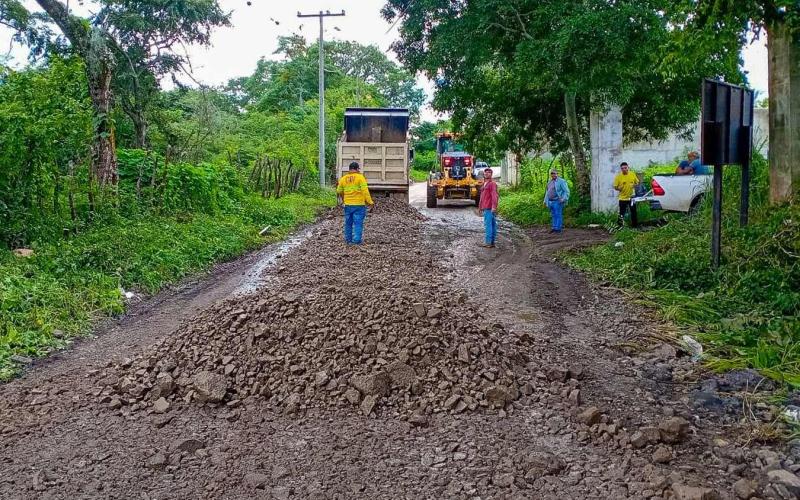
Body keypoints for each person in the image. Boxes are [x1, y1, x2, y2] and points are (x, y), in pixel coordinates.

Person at [336, 161, 374, 245]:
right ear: (357, 169)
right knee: (358, 223)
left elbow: (339, 191)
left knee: (348, 223)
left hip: (348, 205)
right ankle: (356, 241)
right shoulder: (360, 178)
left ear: (349, 169)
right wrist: (370, 202)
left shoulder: (343, 179)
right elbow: (365, 191)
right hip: (359, 205)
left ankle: (348, 240)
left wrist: (344, 199)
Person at [613, 162, 640, 227]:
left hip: (632, 198)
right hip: (623, 198)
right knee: (622, 213)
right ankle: (620, 226)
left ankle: (634, 226)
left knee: (633, 212)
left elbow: (637, 183)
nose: (624, 169)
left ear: (628, 167)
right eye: (622, 168)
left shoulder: (632, 174)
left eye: (625, 168)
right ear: (621, 169)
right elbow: (615, 187)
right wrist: (620, 187)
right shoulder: (618, 177)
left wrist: (634, 185)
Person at [477, 168, 499, 248]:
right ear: (484, 174)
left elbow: (494, 196)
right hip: (486, 207)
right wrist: (480, 207)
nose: (487, 173)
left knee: (488, 225)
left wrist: (494, 207)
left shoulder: (492, 184)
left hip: (489, 208)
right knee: (492, 224)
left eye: (489, 172)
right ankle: (492, 242)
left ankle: (488, 242)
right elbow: (482, 197)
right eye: (485, 172)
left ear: (491, 174)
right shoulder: (484, 184)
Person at [543, 169, 570, 233]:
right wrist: (545, 201)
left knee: (558, 214)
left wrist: (563, 198)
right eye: (552, 173)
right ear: (551, 175)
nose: (554, 175)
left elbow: (566, 191)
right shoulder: (549, 182)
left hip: (557, 201)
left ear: (557, 174)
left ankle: (558, 229)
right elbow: (547, 192)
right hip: (550, 201)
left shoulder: (561, 181)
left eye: (555, 173)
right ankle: (554, 227)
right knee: (553, 214)